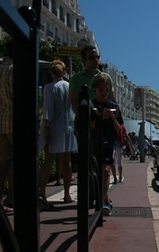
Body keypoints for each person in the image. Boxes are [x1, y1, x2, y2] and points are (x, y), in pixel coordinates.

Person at [38, 60, 77, 207]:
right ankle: (67, 194)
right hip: (68, 127)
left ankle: (42, 191)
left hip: (54, 127)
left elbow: (49, 110)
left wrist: (46, 130)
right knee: (67, 161)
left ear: (51, 73)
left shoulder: (49, 88)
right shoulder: (69, 86)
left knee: (49, 160)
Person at [90, 73, 123, 216]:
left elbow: (118, 130)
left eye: (107, 90)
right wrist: (100, 118)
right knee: (96, 172)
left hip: (109, 141)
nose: (104, 93)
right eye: (101, 89)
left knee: (106, 170)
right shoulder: (90, 105)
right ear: (95, 89)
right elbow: (89, 127)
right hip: (95, 142)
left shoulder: (113, 106)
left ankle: (101, 202)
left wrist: (113, 118)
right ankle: (106, 200)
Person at [69, 45, 114, 116]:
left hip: (104, 119)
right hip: (86, 119)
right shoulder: (76, 78)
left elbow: (112, 99)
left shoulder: (106, 77)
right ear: (84, 61)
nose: (96, 60)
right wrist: (82, 120)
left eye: (97, 57)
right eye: (92, 58)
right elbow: (74, 101)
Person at [0, 40, 14, 214]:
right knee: (20, 163)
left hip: (2, 120)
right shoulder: (16, 69)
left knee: (3, 163)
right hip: (16, 120)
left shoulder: (1, 67)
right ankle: (11, 198)